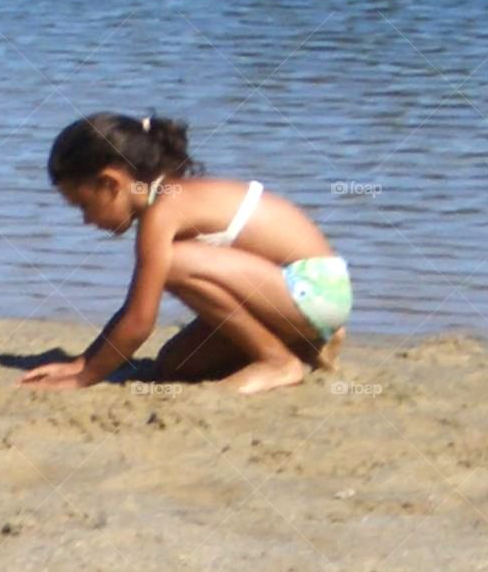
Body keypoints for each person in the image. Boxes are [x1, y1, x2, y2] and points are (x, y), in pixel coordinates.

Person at [18, 112, 352, 394]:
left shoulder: (164, 209)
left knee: (175, 263)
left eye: (84, 206)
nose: (87, 220)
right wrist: (83, 361)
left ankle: (278, 363)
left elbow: (139, 321)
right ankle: (301, 345)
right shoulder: (162, 202)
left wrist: (83, 380)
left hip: (315, 290)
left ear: (110, 183)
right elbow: (132, 309)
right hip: (283, 294)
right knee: (175, 366)